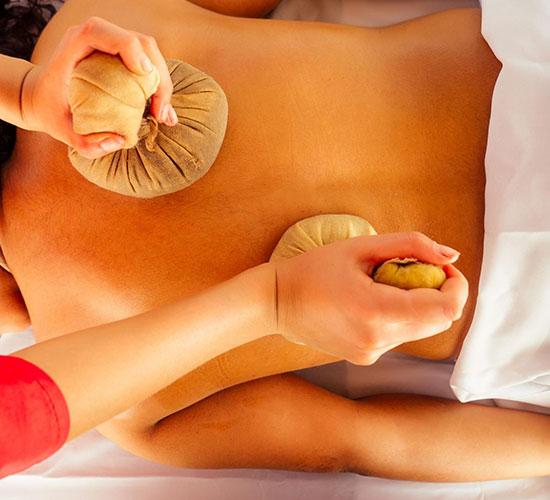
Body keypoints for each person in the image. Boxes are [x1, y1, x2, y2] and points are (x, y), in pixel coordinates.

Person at [0, 0, 548, 481]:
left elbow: (363, 440)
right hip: (524, 67)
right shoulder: (94, 26)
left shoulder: (126, 405)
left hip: (528, 297)